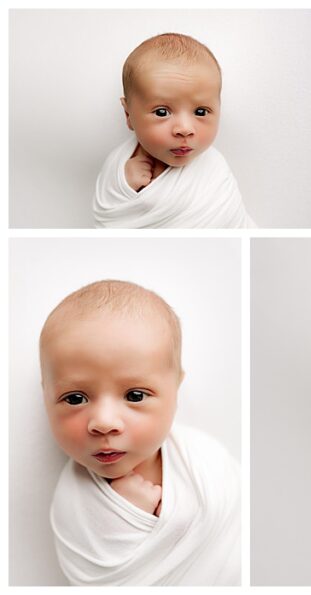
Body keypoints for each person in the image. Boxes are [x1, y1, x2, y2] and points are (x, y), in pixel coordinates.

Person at [41, 280, 241, 585]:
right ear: (46, 395)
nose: (104, 422)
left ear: (175, 388)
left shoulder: (207, 461)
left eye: (135, 395)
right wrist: (119, 518)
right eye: (75, 398)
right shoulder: (73, 501)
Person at [94, 33, 255, 228]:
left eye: (201, 111)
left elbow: (235, 225)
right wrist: (121, 183)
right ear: (128, 115)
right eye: (162, 112)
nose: (185, 129)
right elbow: (109, 219)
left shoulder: (214, 170)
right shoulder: (119, 164)